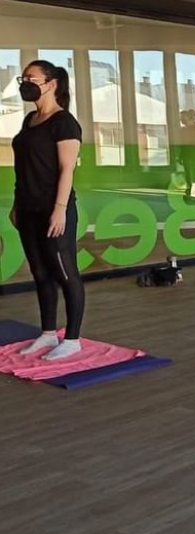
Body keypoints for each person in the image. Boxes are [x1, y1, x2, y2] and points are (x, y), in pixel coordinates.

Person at [9, 60, 85, 360]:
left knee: (65, 273)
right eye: (22, 77)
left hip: (54, 209)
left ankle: (73, 338)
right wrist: (18, 205)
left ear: (51, 83)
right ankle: (48, 333)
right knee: (40, 272)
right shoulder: (29, 121)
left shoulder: (63, 122)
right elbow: (24, 168)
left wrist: (60, 210)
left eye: (31, 78)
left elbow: (67, 170)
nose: (25, 82)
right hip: (28, 208)